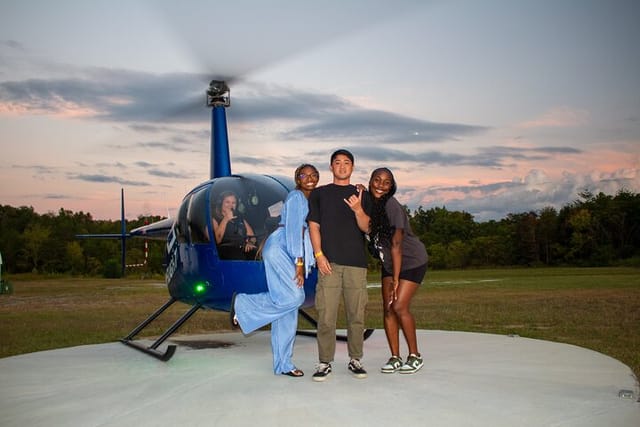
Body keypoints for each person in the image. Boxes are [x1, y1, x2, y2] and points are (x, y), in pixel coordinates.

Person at [231, 164, 319, 377]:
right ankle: (243, 303)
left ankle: (283, 364)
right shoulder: (297, 197)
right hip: (282, 249)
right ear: (297, 178)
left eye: (313, 174)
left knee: (287, 312)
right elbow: (294, 230)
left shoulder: (312, 199)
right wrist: (299, 264)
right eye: (303, 174)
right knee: (295, 297)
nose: (309, 178)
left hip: (289, 249)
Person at [307, 149, 371, 381]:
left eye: (347, 163)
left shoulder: (361, 193)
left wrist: (358, 209)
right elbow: (314, 226)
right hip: (328, 264)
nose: (342, 166)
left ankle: (355, 359)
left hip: (356, 263)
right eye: (337, 162)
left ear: (352, 167)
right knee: (326, 315)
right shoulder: (319, 194)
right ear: (331, 167)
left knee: (356, 314)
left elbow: (367, 227)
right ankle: (324, 362)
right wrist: (319, 255)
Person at [366, 167, 428, 374]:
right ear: (370, 181)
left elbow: (397, 245)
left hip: (410, 260)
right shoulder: (371, 204)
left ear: (392, 187)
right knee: (388, 308)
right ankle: (395, 357)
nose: (381, 185)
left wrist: (396, 279)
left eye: (386, 182)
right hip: (390, 264)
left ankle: (415, 355)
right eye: (377, 180)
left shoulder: (391, 205)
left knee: (400, 306)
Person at [212, 191, 257, 259]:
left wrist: (250, 243)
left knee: (258, 254)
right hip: (226, 251)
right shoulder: (215, 219)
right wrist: (226, 219)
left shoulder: (240, 218)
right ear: (221, 203)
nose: (231, 205)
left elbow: (253, 236)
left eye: (233, 203)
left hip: (242, 248)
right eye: (227, 202)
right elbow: (217, 240)